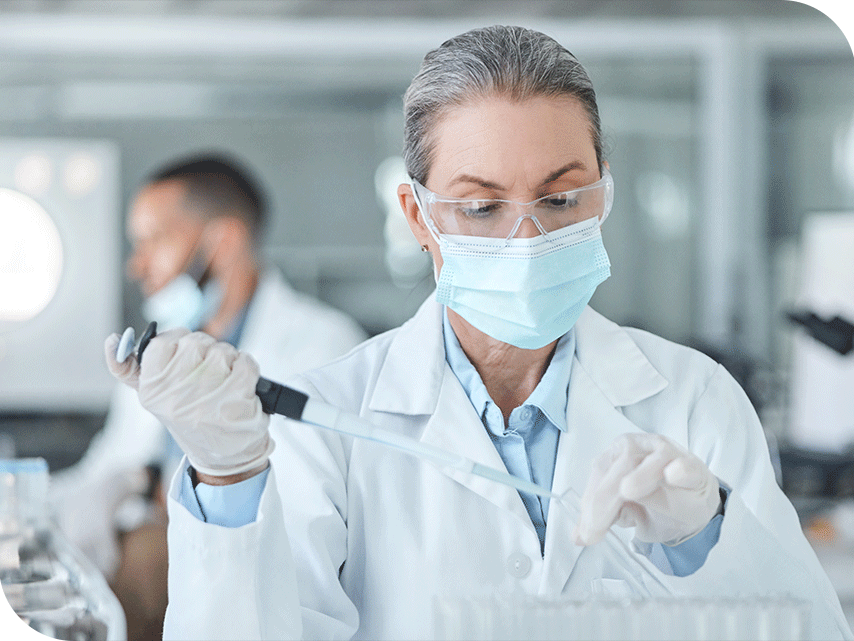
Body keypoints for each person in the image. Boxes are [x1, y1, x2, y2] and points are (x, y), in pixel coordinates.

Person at [105, 27, 851, 641]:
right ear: (418, 217)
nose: (528, 238)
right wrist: (228, 481)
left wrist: (709, 539)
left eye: (561, 198)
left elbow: (809, 630)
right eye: (481, 207)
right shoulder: (330, 419)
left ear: (604, 194)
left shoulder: (693, 400)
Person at [53, 154, 366, 641]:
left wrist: (146, 484)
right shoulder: (167, 348)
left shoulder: (322, 347)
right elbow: (104, 468)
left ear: (223, 242)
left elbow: (301, 502)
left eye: (153, 241)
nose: (136, 265)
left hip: (248, 585)